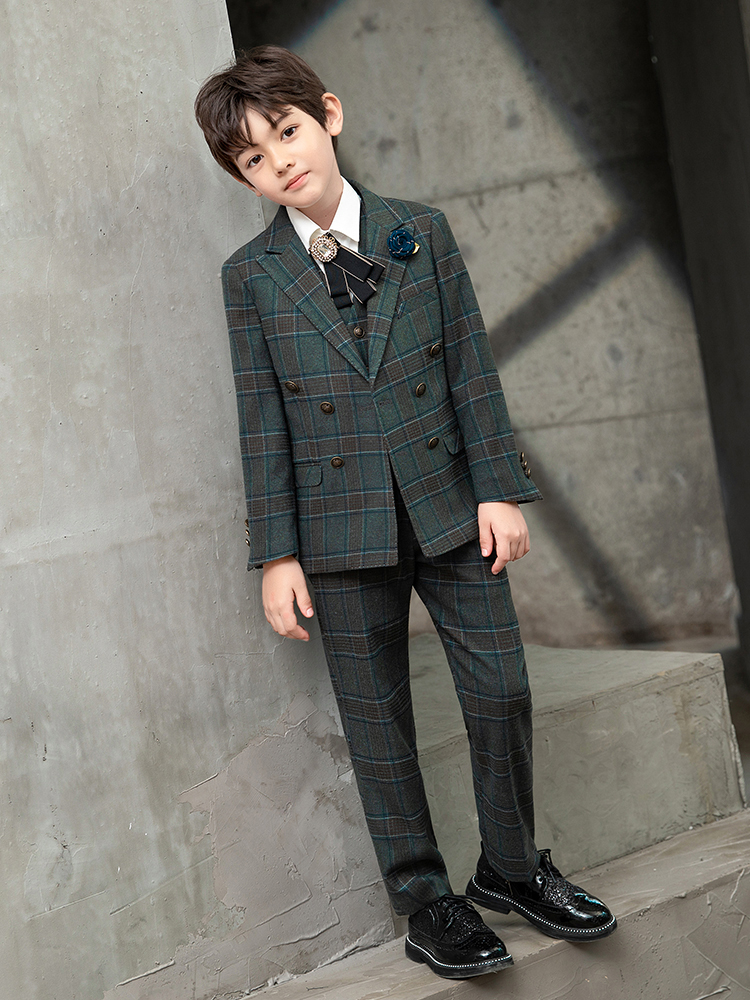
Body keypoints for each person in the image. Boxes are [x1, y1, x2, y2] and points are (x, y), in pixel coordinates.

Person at [194, 45, 616, 980]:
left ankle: (511, 870)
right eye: (253, 158)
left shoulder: (420, 232)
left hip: (451, 504)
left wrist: (498, 488)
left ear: (329, 115)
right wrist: (277, 553)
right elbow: (260, 418)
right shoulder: (251, 276)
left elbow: (470, 365)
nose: (279, 161)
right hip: (337, 529)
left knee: (501, 688)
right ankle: (426, 901)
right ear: (240, 175)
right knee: (378, 723)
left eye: (287, 132)